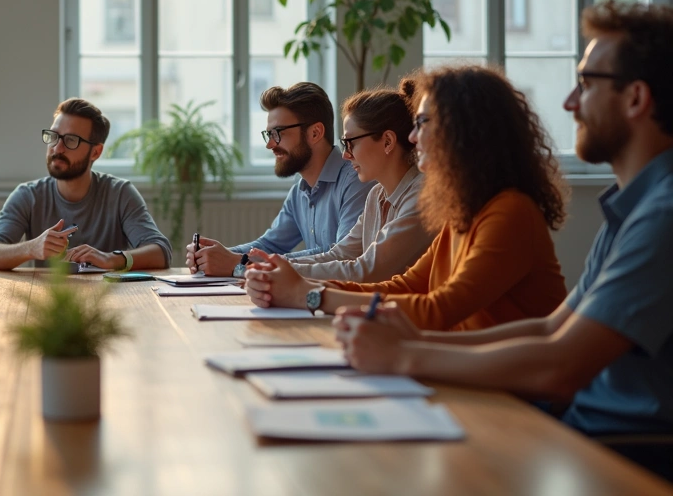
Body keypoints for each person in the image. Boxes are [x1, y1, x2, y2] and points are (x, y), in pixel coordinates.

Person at [336, 1, 673, 480]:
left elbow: (560, 366)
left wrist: (406, 353)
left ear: (636, 98)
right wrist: (414, 342)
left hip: (622, 448)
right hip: (580, 424)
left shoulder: (662, 214)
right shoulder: (632, 206)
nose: (569, 103)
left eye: (585, 84)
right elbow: (549, 329)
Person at [246, 65, 568, 331]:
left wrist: (310, 295)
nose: (413, 137)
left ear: (466, 131)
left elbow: (436, 308)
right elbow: (403, 285)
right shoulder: (462, 212)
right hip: (468, 371)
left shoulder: (510, 213)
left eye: (422, 123)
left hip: (509, 393)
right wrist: (303, 288)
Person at [188, 82, 374, 278]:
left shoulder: (356, 181)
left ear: (315, 133)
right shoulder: (299, 191)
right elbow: (270, 244)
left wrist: (241, 262)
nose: (270, 144)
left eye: (277, 133)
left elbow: (342, 255)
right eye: (268, 134)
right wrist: (214, 255)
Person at [0, 98, 171, 270]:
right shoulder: (28, 195)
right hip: (48, 302)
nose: (57, 148)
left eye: (71, 140)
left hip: (110, 300)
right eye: (53, 136)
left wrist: (111, 259)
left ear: (95, 152)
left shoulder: (119, 193)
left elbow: (161, 252)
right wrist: (31, 248)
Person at [286, 79, 433, 282]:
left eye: (350, 143)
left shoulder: (422, 197)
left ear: (388, 141)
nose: (345, 155)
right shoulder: (376, 194)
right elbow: (340, 254)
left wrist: (283, 272)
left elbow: (367, 270)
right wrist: (273, 265)